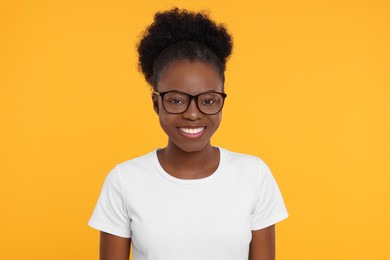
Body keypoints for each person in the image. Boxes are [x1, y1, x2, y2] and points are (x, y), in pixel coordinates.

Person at [88, 8, 288, 260]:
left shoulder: (254, 175)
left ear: (222, 100)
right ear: (155, 103)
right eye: (176, 100)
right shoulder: (124, 180)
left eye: (207, 100)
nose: (193, 114)